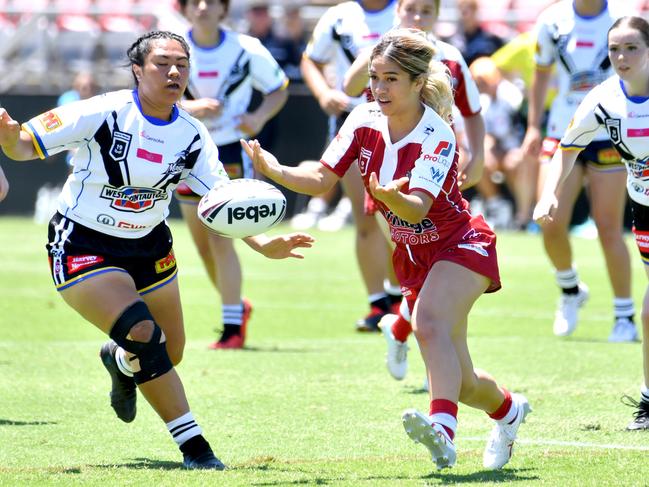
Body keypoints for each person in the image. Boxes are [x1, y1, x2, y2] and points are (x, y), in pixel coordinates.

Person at [0, 30, 313, 469]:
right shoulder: (102, 111)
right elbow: (21, 146)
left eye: (181, 65)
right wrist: (10, 135)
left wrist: (262, 243)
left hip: (150, 246)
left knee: (169, 352)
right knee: (145, 334)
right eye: (162, 63)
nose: (174, 72)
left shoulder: (192, 133)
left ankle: (121, 362)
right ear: (137, 69)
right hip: (83, 242)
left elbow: (221, 200)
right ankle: (196, 449)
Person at [242, 28, 530, 470]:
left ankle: (442, 432)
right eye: (374, 77)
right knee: (464, 381)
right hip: (413, 257)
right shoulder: (362, 119)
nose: (378, 88)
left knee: (427, 323)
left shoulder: (439, 133)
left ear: (418, 83)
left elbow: (415, 210)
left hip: (461, 243)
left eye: (391, 78)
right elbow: (321, 180)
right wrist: (274, 169)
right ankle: (509, 412)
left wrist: (390, 196)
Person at [342, 0, 485, 381]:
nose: (417, 19)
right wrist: (379, 49)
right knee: (413, 257)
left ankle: (415, 336)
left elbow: (472, 111)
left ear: (438, 17)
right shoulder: (381, 54)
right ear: (396, 12)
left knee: (434, 261)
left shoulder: (451, 57)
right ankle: (429, 347)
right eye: (410, 10)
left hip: (434, 168)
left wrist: (479, 155)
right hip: (388, 171)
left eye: (426, 11)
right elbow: (349, 86)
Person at [534, 15, 649, 430]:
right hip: (645, 206)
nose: (621, 57)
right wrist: (548, 193)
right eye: (615, 49)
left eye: (631, 48)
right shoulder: (602, 99)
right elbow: (565, 149)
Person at [176, 0, 289, 349]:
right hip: (185, 148)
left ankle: (232, 328)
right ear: (183, 8)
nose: (204, 7)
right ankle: (237, 308)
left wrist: (257, 118)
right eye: (195, 1)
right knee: (201, 243)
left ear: (225, 8)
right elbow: (148, 95)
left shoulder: (245, 48)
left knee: (221, 236)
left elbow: (278, 87)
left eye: (212, 1)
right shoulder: (172, 46)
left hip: (228, 150)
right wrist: (192, 107)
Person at [522, 0, 638, 342]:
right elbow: (541, 75)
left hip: (611, 133)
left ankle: (624, 315)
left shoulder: (624, 17)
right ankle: (570, 288)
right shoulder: (552, 21)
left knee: (608, 226)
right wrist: (532, 126)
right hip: (563, 131)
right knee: (549, 220)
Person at [300, 0, 401, 331]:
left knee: (400, 216)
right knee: (365, 216)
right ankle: (378, 304)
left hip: (401, 122)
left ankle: (402, 296)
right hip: (354, 121)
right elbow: (310, 60)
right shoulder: (340, 16)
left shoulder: (405, 10)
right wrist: (323, 93)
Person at [470, 56, 535, 230]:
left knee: (515, 163)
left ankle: (524, 216)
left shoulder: (511, 95)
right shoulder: (481, 99)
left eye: (483, 81)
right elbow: (487, 133)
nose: (480, 85)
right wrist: (486, 150)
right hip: (499, 148)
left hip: (518, 146)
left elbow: (514, 128)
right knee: (479, 161)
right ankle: (496, 205)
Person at [442, 0, 506, 67]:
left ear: (476, 11)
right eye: (462, 12)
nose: (465, 17)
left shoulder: (490, 39)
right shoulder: (452, 41)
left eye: (467, 11)